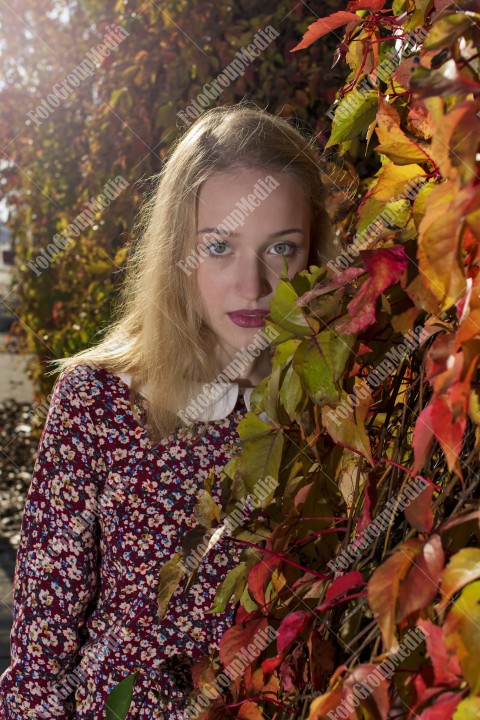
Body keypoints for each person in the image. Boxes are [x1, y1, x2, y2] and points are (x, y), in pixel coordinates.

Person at [0, 102, 337, 719]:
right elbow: (41, 657)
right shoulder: (98, 400)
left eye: (281, 247)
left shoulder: (339, 409)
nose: (252, 285)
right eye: (219, 246)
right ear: (178, 249)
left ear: (315, 248)